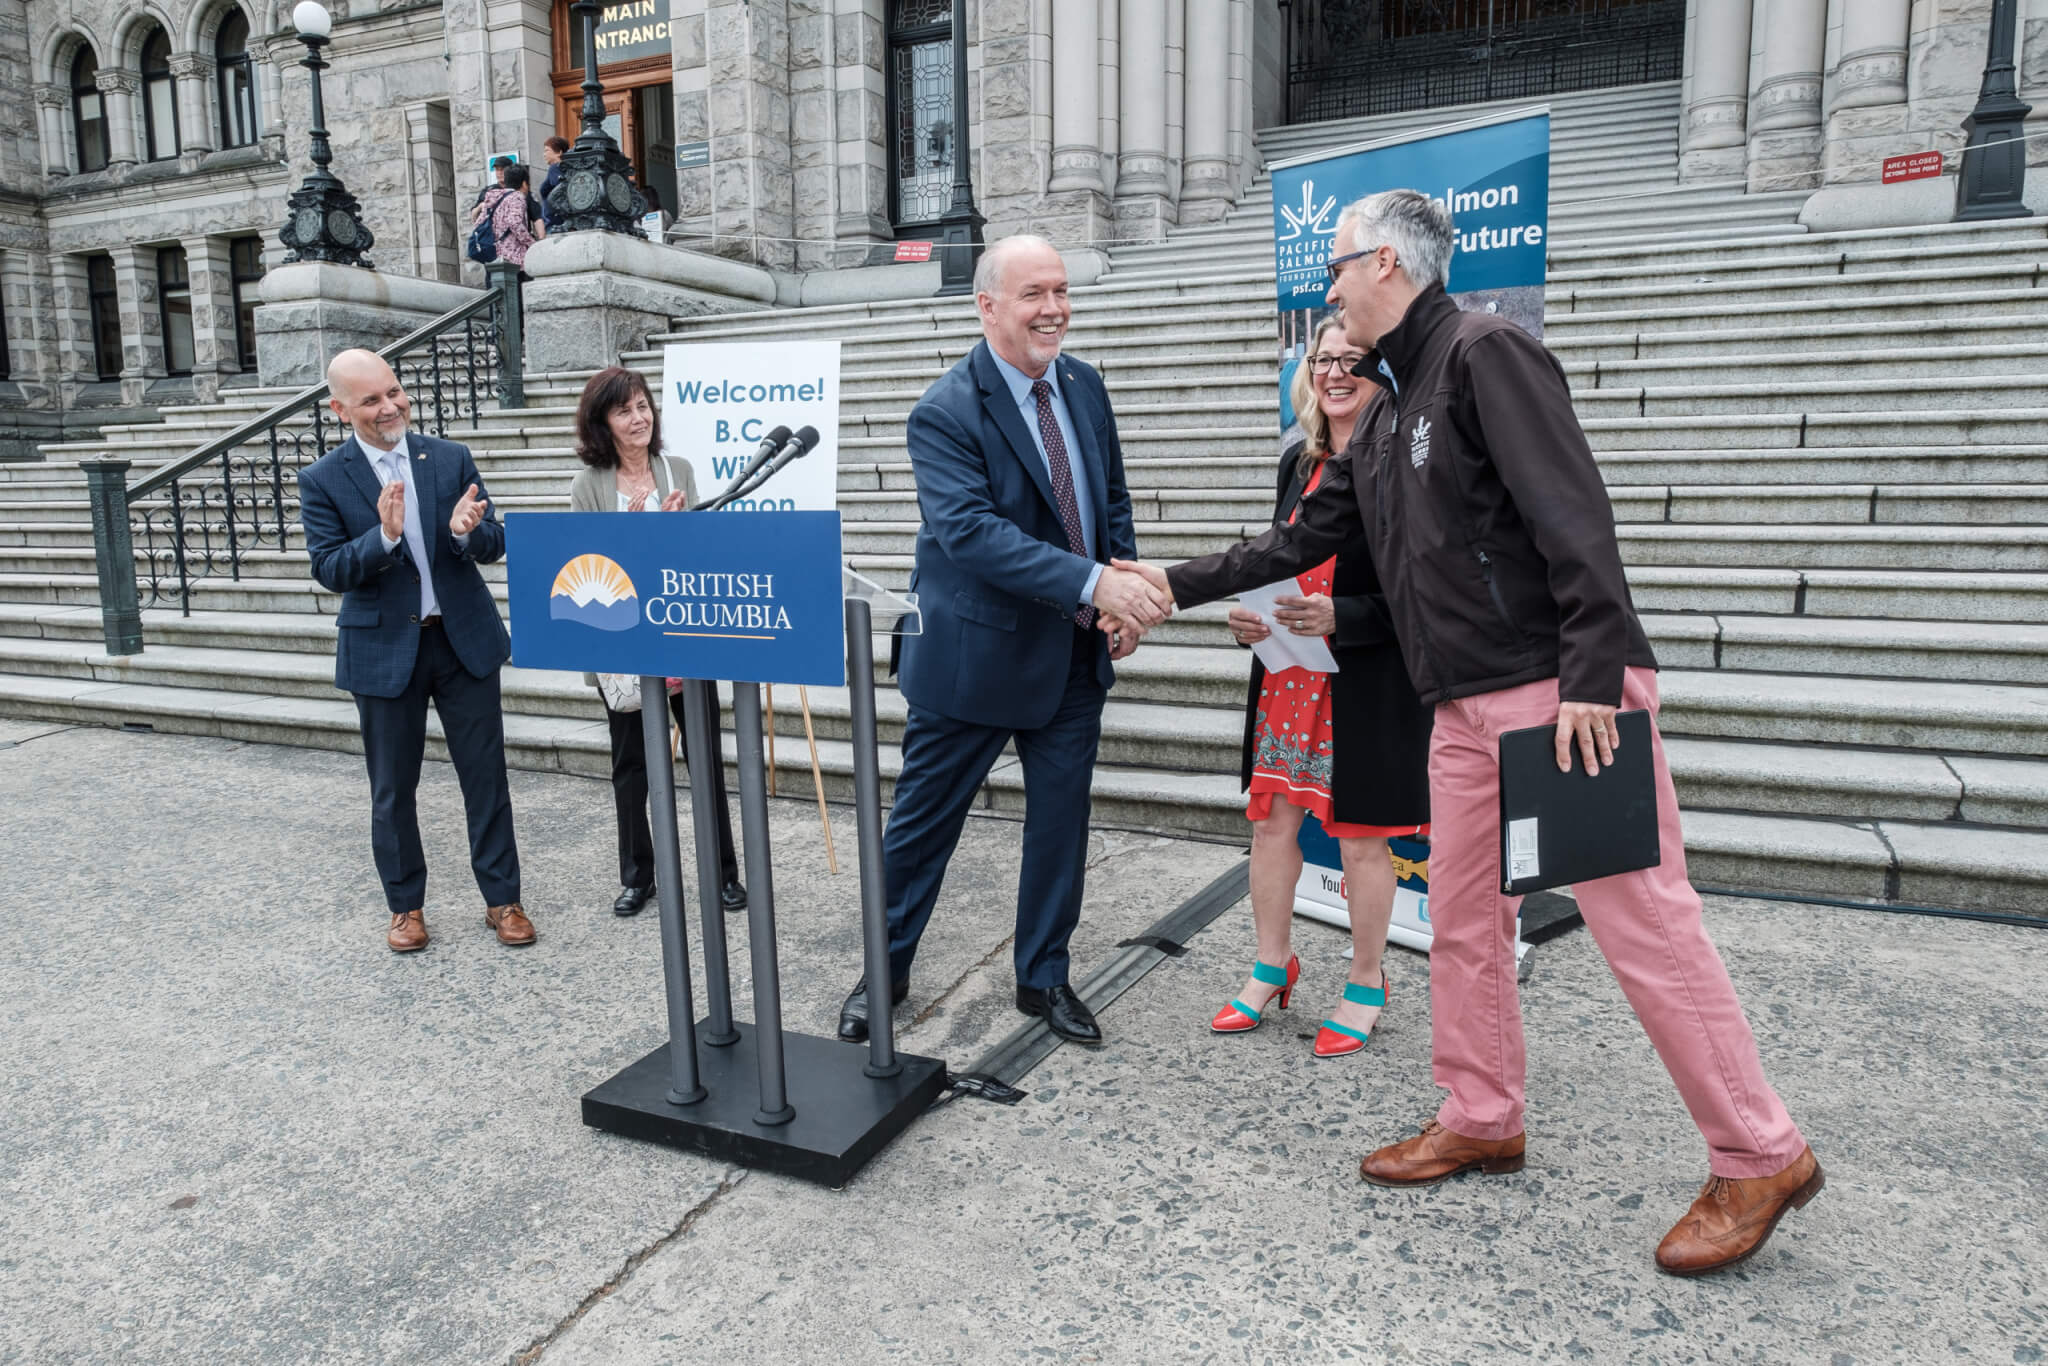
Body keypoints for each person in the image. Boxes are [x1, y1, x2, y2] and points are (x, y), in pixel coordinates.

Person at [1125, 189, 1819, 1277]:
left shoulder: (1487, 354)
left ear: (1389, 266)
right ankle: (1482, 1109)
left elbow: (1572, 513)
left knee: (1644, 926)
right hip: (1457, 707)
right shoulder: (1394, 402)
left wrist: (1592, 671)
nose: (1331, 289)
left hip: (1555, 696)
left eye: (1337, 267)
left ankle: (1757, 1151)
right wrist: (1162, 582)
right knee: (1457, 920)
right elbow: (1300, 534)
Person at [833, 234, 1171, 1047]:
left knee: (1061, 828)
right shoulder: (944, 410)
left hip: (1073, 662)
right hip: (971, 660)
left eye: (1060, 291)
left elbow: (1108, 498)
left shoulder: (1085, 387)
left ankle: (1044, 977)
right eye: (1034, 294)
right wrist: (1094, 585)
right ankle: (884, 970)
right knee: (920, 831)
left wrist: (1116, 596)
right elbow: (972, 535)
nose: (1054, 308)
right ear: (987, 305)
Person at [1209, 316, 1432, 1059]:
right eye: (1325, 359)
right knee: (1270, 828)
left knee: (1364, 841)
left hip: (1365, 681)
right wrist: (1251, 618)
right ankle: (1273, 967)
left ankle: (1367, 981)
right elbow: (1279, 556)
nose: (1337, 372)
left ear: (1385, 375)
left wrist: (1345, 616)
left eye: (1354, 361)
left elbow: (1431, 592)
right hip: (1287, 673)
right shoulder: (1297, 463)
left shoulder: (1408, 463)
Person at [297, 349, 531, 953]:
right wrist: (385, 537)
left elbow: (493, 541)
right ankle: (405, 908)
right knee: (392, 789)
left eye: (394, 391)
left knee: (486, 778)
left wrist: (466, 532)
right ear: (340, 409)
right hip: (383, 651)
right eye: (371, 399)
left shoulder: (447, 457)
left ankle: (503, 900)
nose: (390, 406)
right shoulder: (324, 478)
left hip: (462, 642)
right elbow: (328, 568)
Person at [567, 365, 746, 918]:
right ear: (602, 423)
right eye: (624, 410)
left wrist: (677, 533)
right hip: (621, 641)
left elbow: (699, 560)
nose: (638, 417)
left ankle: (723, 875)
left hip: (683, 634)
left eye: (643, 405)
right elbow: (587, 565)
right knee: (632, 766)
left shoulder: (679, 471)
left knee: (705, 759)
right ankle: (637, 876)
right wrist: (637, 537)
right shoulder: (589, 485)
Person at [474, 163, 543, 274]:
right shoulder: (518, 197)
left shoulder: (493, 197)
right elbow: (514, 222)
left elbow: (478, 223)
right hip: (513, 260)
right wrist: (531, 243)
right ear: (524, 183)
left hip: (493, 258)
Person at [538, 136, 569, 230]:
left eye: (547, 150)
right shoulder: (567, 169)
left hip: (555, 225)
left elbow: (561, 190)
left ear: (559, 152)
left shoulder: (554, 167)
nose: (544, 154)